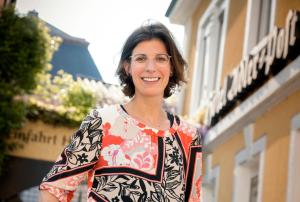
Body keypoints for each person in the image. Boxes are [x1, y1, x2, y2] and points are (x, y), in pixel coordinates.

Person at [39, 21, 202, 202]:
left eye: (161, 58)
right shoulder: (101, 122)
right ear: (127, 66)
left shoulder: (188, 137)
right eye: (141, 58)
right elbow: (54, 188)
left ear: (171, 67)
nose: (150, 67)